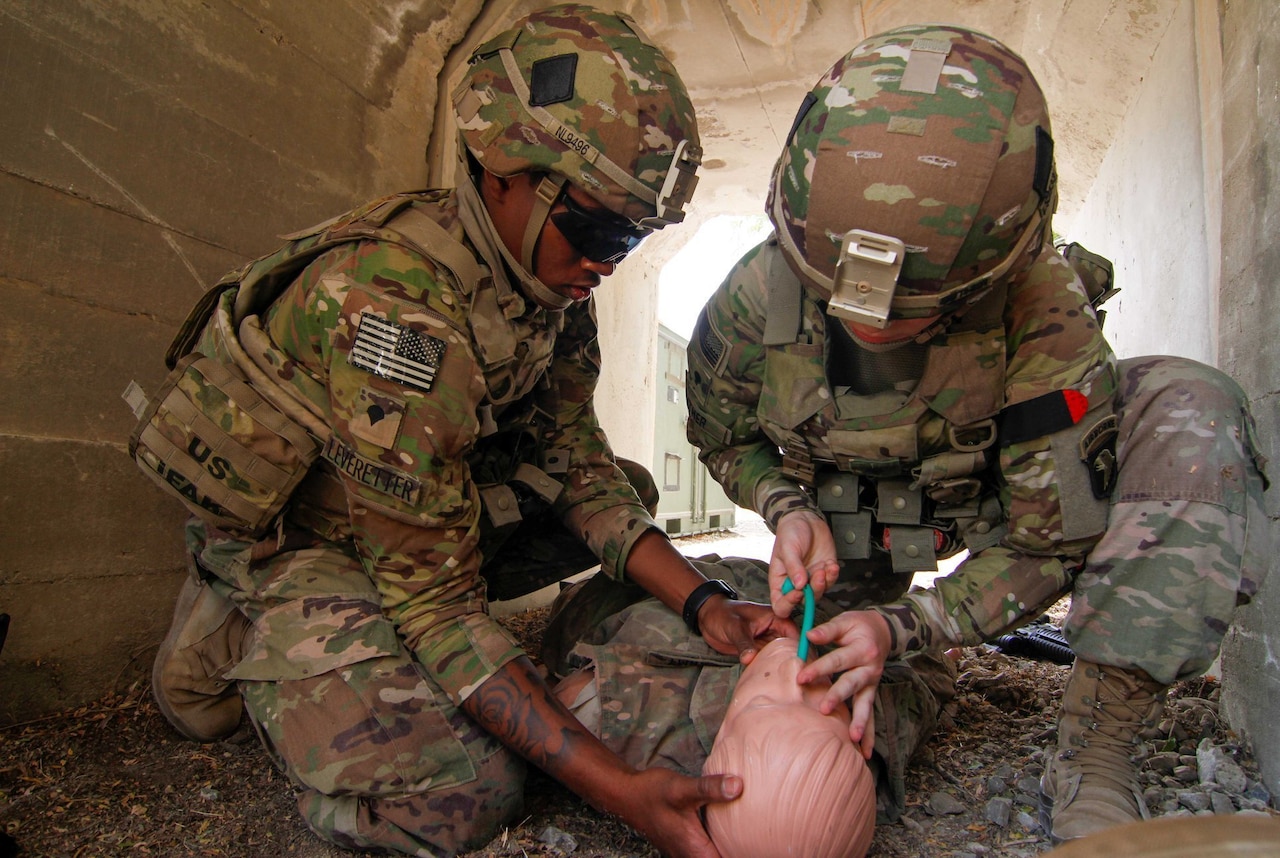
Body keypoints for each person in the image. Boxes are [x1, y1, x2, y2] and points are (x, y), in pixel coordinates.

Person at [139, 5, 788, 856]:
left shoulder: (550, 293)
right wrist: (621, 790)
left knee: (625, 487)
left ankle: (383, 661)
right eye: (595, 226)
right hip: (304, 540)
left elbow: (579, 467)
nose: (608, 258)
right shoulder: (401, 317)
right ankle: (245, 618)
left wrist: (706, 603)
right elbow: (436, 606)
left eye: (632, 236)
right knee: (468, 794)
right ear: (501, 175)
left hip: (414, 519)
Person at [679, 22, 1271, 845]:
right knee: (748, 653)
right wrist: (785, 509)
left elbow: (1050, 542)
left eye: (908, 313)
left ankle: (1095, 752)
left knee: (1189, 410)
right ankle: (898, 666)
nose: (872, 327)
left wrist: (915, 625)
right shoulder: (756, 295)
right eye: (843, 301)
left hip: (994, 516)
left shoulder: (1043, 315)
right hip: (844, 536)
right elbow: (722, 437)